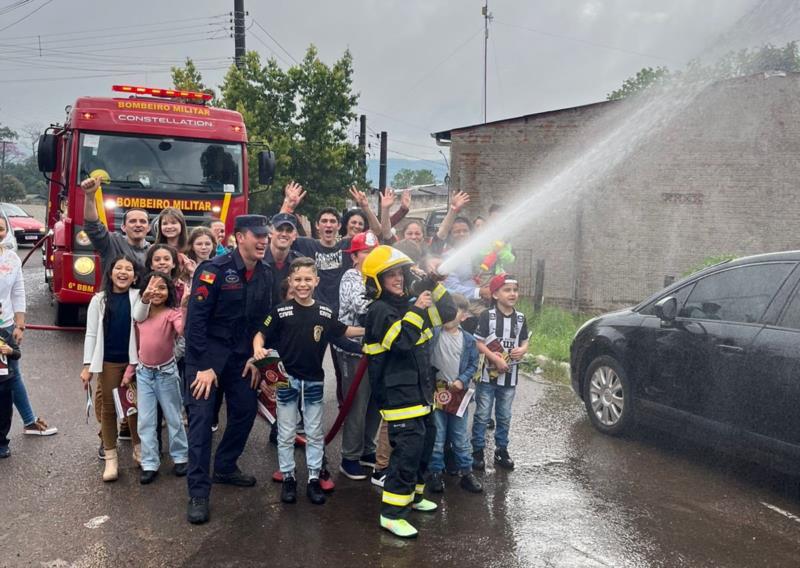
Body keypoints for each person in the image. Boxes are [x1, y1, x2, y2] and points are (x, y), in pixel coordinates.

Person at [183, 214, 273, 525]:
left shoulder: (266, 274)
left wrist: (256, 354)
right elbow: (195, 322)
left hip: (241, 359)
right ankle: (198, 492)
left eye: (265, 236)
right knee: (202, 420)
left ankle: (224, 465)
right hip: (205, 357)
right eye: (256, 235)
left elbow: (266, 318)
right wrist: (205, 366)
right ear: (238, 237)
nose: (263, 240)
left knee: (246, 411)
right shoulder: (213, 271)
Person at [362, 245, 456, 539]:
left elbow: (448, 313)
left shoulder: (406, 305)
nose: (398, 279)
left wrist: (433, 284)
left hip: (421, 392)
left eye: (399, 273)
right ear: (377, 280)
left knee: (424, 445)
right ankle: (391, 514)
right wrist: (417, 308)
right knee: (406, 454)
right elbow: (402, 341)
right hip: (398, 396)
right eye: (389, 275)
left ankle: (413, 497)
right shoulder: (379, 311)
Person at [253, 257, 364, 505]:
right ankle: (289, 477)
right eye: (298, 280)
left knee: (314, 432)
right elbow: (261, 333)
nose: (303, 284)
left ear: (316, 281)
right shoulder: (280, 311)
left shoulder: (324, 311)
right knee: (285, 432)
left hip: (313, 381)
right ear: (291, 282)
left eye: (307, 279)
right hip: (285, 380)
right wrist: (258, 348)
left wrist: (372, 329)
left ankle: (314, 478)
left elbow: (344, 331)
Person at [80, 255, 142, 482]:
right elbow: (91, 334)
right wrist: (87, 365)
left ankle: (139, 449)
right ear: (110, 273)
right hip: (108, 362)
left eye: (128, 269)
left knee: (134, 408)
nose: (123, 272)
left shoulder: (139, 297)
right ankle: (111, 457)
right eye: (118, 268)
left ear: (135, 276)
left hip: (133, 362)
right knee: (108, 408)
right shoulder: (99, 300)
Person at [0, 216, 57, 436]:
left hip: (5, 328)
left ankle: (29, 421)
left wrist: (20, 324)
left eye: (2, 229)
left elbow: (17, 292)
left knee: (11, 375)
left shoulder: (12, 259)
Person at [132, 272, 189, 485]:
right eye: (152, 287)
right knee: (145, 421)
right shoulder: (141, 312)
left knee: (173, 416)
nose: (156, 292)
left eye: (162, 288)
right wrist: (144, 298)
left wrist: (184, 306)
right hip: (144, 372)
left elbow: (182, 330)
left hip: (166, 372)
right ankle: (149, 462)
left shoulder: (172, 313)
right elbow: (137, 315)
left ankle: (181, 456)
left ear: (169, 293)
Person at [471, 273, 529, 472]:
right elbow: (478, 342)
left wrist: (523, 349)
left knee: (504, 416)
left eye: (515, 290)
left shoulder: (520, 318)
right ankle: (477, 450)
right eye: (507, 290)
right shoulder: (488, 316)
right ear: (495, 294)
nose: (512, 294)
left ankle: (501, 449)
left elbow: (524, 341)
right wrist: (495, 358)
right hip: (487, 376)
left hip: (510, 377)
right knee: (482, 414)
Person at [335, 231, 380, 480]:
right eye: (365, 252)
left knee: (375, 402)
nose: (370, 256)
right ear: (354, 257)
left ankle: (367, 449)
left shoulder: (378, 278)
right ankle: (349, 456)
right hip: (354, 352)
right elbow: (362, 307)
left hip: (377, 351)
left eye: (374, 252)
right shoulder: (351, 277)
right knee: (357, 403)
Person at [426, 293, 482, 494]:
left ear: (464, 315)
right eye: (445, 309)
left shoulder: (468, 340)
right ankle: (435, 473)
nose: (449, 314)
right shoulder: (434, 334)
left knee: (459, 436)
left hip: (459, 397)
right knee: (438, 437)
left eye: (454, 310)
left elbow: (473, 365)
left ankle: (466, 472)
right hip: (436, 394)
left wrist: (462, 380)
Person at [80, 176, 150, 271]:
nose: (138, 224)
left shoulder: (154, 252)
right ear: (123, 227)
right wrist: (89, 196)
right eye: (132, 221)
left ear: (149, 228)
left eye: (142, 221)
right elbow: (92, 226)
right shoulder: (111, 243)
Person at [0, 323, 22, 458]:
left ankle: (2, 443)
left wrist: (10, 351)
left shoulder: (4, 334)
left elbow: (17, 353)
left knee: (4, 414)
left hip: (4, 382)